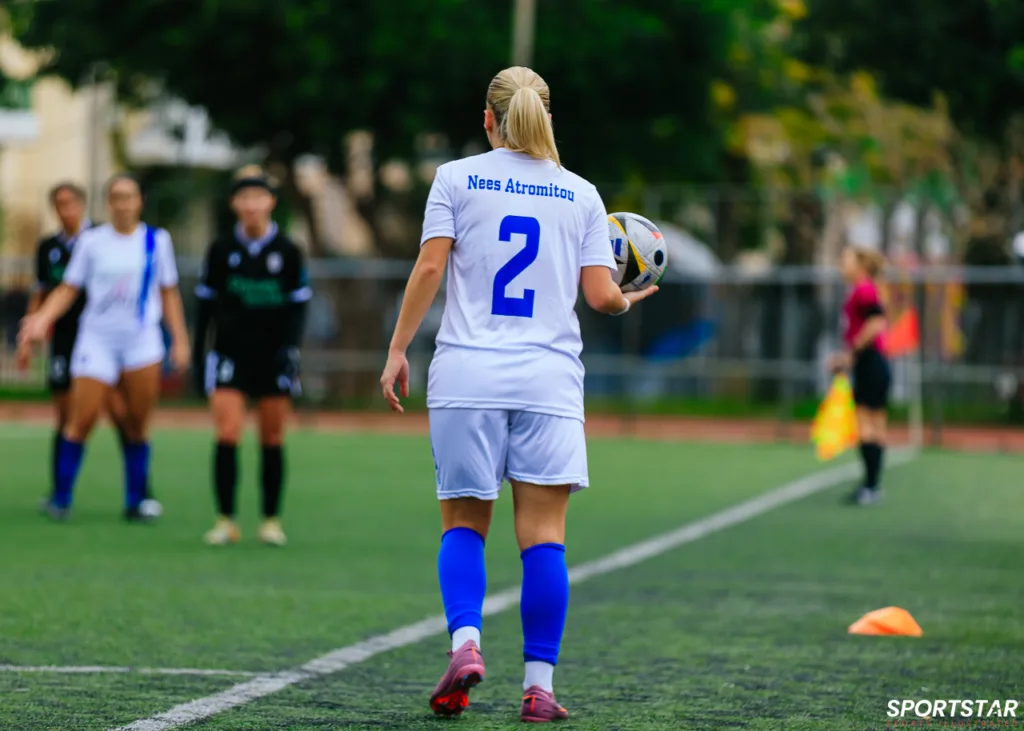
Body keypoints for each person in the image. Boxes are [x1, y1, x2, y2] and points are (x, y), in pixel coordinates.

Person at [379, 66, 658, 722]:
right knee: (543, 538)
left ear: (488, 119)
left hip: (467, 375)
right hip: (547, 381)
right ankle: (539, 687)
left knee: (463, 525)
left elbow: (429, 266)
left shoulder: (455, 178)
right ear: (547, 118)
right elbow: (600, 296)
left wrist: (396, 349)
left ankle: (466, 643)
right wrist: (628, 298)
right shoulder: (581, 194)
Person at [18, 174, 190, 521]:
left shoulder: (156, 241)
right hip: (97, 339)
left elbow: (169, 292)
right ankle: (61, 498)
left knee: (137, 422)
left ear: (139, 201)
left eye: (129, 197)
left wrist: (180, 339)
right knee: (81, 418)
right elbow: (68, 288)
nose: (123, 204)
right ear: (108, 203)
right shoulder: (93, 241)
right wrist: (41, 318)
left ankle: (136, 500)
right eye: (116, 197)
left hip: (141, 340)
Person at [191, 166, 310, 547]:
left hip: (273, 356)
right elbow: (205, 308)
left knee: (271, 436)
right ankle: (225, 520)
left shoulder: (288, 252)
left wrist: (290, 350)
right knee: (227, 432)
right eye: (244, 198)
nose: (252, 206)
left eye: (258, 198)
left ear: (270, 202)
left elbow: (298, 308)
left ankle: (270, 520)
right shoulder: (221, 250)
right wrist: (198, 357)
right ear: (234, 204)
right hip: (230, 354)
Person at [831, 246, 891, 505]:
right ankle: (872, 484)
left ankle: (870, 485)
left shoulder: (864, 289)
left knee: (866, 423)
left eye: (846, 260)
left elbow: (876, 322)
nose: (841, 265)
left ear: (861, 265)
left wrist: (849, 354)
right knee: (874, 424)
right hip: (874, 363)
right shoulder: (863, 289)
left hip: (870, 363)